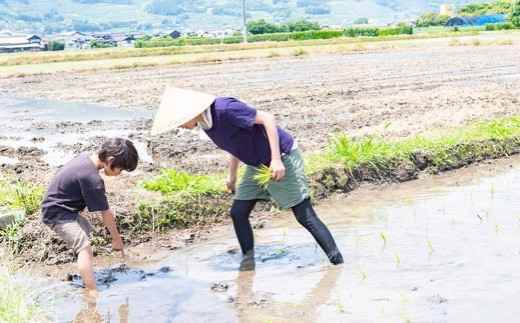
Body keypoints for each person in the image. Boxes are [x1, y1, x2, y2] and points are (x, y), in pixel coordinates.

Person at [151, 87, 343, 265]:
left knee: (304, 215)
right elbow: (235, 143)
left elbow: (268, 118)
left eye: (178, 121)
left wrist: (276, 159)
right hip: (256, 163)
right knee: (238, 213)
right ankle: (248, 261)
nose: (179, 127)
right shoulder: (206, 123)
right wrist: (232, 175)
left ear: (190, 112)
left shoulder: (225, 109)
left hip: (281, 155)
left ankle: (337, 262)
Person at [40, 138, 139, 297]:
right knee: (85, 247)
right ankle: (92, 291)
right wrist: (117, 240)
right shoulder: (92, 178)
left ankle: (85, 267)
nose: (119, 174)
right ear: (110, 160)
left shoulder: (85, 158)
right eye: (120, 169)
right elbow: (106, 213)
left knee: (86, 230)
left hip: (61, 207)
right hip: (57, 213)